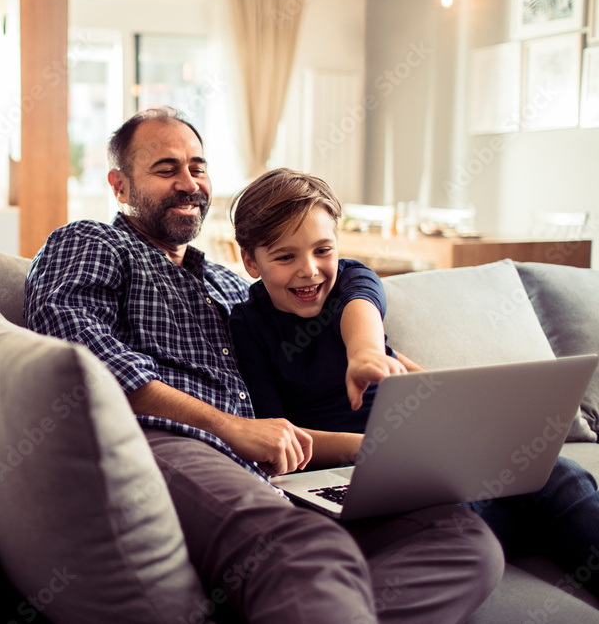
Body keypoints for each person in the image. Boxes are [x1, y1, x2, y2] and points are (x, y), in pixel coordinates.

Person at [24, 107, 503, 623]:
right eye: (166, 169)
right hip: (177, 443)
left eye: (198, 167)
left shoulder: (233, 289)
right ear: (120, 185)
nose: (189, 183)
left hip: (281, 473)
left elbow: (347, 306)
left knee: (466, 542)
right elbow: (86, 359)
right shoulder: (92, 242)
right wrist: (232, 429)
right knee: (306, 550)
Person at [228, 166, 599, 599]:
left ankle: (546, 528)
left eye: (322, 250)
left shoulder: (352, 279)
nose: (310, 271)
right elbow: (279, 436)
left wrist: (367, 354)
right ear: (251, 261)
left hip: (425, 454)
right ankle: (532, 528)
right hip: (355, 474)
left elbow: (362, 312)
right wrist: (370, 450)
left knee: (562, 474)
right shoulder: (248, 326)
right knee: (459, 516)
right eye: (285, 257)